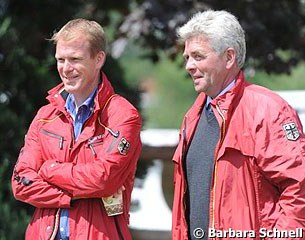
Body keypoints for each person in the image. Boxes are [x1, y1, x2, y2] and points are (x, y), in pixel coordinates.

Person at [172, 10, 305, 240]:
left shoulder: (268, 110)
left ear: (229, 57)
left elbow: (299, 190)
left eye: (198, 56)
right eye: (187, 58)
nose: (189, 66)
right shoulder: (191, 117)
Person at [11, 19, 142, 240]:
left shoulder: (123, 115)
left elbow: (103, 179)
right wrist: (73, 197)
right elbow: (21, 183)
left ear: (99, 59)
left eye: (75, 59)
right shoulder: (45, 116)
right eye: (60, 60)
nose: (65, 68)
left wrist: (49, 169)